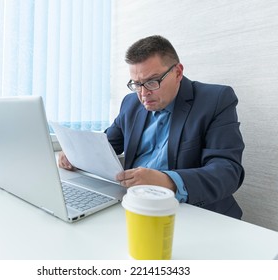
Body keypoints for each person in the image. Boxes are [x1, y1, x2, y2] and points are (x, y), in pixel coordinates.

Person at [59, 35, 245, 219]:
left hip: (192, 212)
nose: (143, 93)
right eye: (137, 84)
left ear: (178, 73)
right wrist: (75, 153)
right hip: (136, 206)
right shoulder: (131, 103)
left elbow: (228, 172)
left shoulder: (215, 100)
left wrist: (168, 181)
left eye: (152, 82)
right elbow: (107, 145)